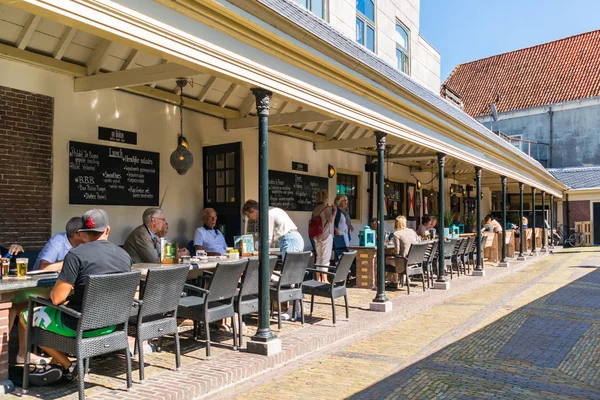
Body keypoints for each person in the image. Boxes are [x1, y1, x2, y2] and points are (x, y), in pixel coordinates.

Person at [21, 209, 132, 385]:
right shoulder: (124, 256)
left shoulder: (75, 255)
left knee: (26, 316)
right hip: (111, 325)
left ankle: (68, 365)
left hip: (79, 326)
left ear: (82, 233)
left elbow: (57, 298)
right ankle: (55, 363)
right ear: (108, 230)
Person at [123, 207, 189, 263]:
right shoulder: (142, 234)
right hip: (138, 274)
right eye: (163, 220)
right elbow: (155, 260)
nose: (164, 223)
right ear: (154, 220)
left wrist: (176, 251)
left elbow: (161, 253)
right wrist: (176, 255)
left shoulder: (152, 233)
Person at [311, 190, 336, 283]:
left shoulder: (315, 209)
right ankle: (324, 279)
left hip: (316, 236)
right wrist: (334, 211)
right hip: (326, 235)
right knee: (326, 257)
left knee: (319, 257)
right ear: (326, 198)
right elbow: (330, 220)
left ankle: (318, 278)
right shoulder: (326, 208)